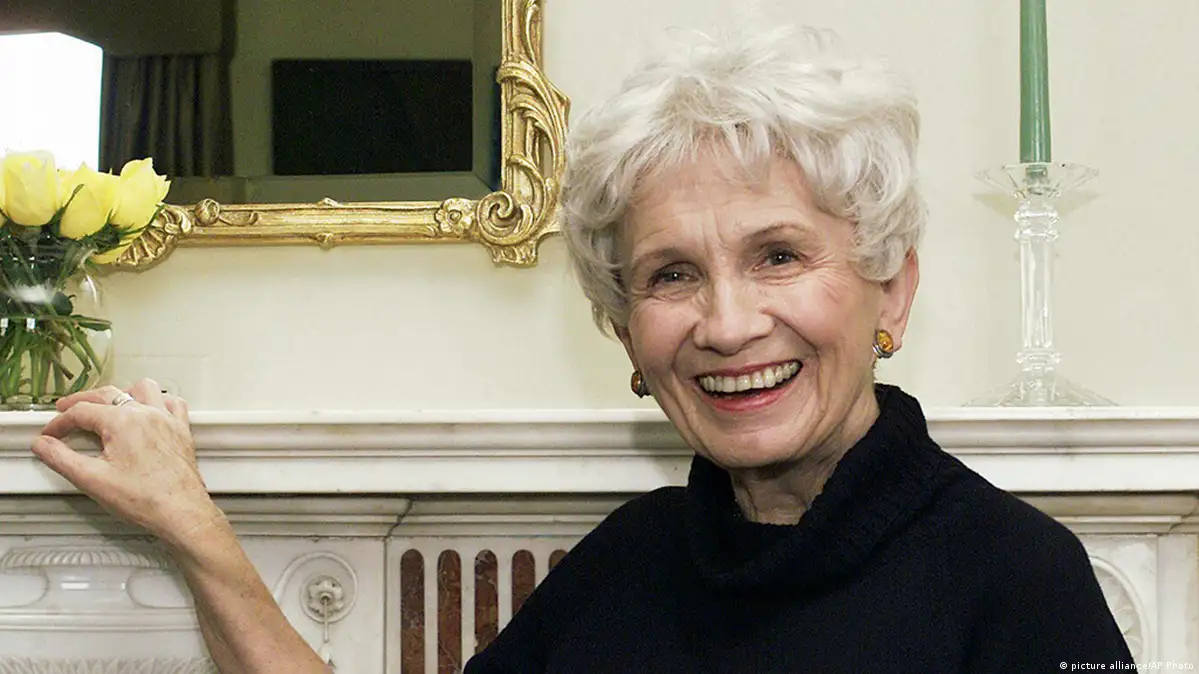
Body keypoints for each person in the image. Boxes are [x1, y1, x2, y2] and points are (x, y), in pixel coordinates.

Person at [31, 29, 1133, 674]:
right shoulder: (629, 565)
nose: (727, 323)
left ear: (890, 285)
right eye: (671, 274)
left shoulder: (1017, 579)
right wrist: (196, 529)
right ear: (624, 329)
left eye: (778, 255)